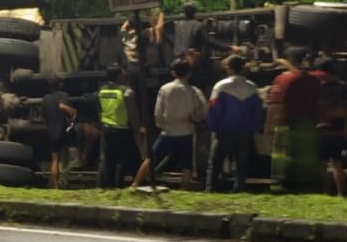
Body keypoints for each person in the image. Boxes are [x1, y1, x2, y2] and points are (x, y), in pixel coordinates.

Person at [137, 59, 206, 190]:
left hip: (167, 131)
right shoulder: (193, 91)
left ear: (173, 73)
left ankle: (135, 184)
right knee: (187, 165)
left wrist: (161, 124)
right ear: (189, 73)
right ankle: (184, 189)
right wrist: (195, 119)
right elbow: (201, 111)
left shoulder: (165, 89)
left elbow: (158, 111)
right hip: (186, 131)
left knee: (151, 158)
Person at [206, 55, 264, 192]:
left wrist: (213, 127)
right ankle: (239, 188)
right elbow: (257, 111)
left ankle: (211, 188)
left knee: (215, 163)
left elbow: (213, 109)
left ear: (228, 68)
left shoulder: (221, 86)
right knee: (241, 164)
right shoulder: (252, 88)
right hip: (245, 131)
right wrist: (254, 127)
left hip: (223, 131)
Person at [269, 46, 323, 190]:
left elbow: (278, 104)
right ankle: (306, 184)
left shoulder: (283, 78)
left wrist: (270, 126)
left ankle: (281, 184)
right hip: (309, 123)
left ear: (291, 60)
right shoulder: (315, 80)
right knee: (306, 155)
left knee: (284, 155)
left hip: (288, 124)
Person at [96, 66, 143, 189]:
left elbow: (100, 111)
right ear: (118, 76)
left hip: (107, 130)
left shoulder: (102, 91)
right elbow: (133, 114)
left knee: (110, 161)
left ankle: (109, 187)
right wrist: (137, 132)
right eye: (123, 74)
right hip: (123, 131)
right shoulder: (127, 92)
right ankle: (139, 184)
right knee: (133, 160)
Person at [311, 55, 347, 196]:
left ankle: (325, 191)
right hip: (339, 129)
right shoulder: (344, 86)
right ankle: (340, 193)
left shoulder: (320, 87)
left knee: (323, 164)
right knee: (338, 163)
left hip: (324, 129)